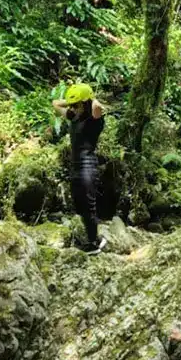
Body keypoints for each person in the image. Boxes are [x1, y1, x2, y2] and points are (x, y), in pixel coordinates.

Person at [52, 84, 108, 255]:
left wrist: (89, 97)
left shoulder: (94, 120)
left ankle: (94, 243)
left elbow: (98, 107)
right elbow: (55, 103)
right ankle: (94, 238)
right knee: (79, 205)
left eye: (77, 105)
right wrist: (73, 101)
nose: (73, 109)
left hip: (88, 166)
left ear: (86, 103)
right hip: (75, 166)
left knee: (89, 206)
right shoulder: (73, 115)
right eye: (72, 106)